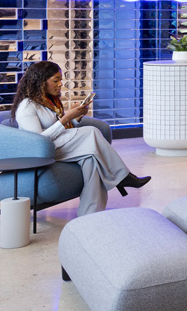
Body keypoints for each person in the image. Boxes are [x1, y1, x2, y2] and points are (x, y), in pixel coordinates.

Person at [10, 61, 150, 216]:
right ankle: (123, 176)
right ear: (41, 81)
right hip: (42, 152)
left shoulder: (47, 101)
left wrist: (75, 117)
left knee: (91, 160)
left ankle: (90, 215)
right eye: (56, 80)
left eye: (60, 79)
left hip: (59, 144)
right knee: (92, 132)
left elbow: (56, 127)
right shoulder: (27, 107)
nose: (60, 84)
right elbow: (38, 142)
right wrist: (65, 119)